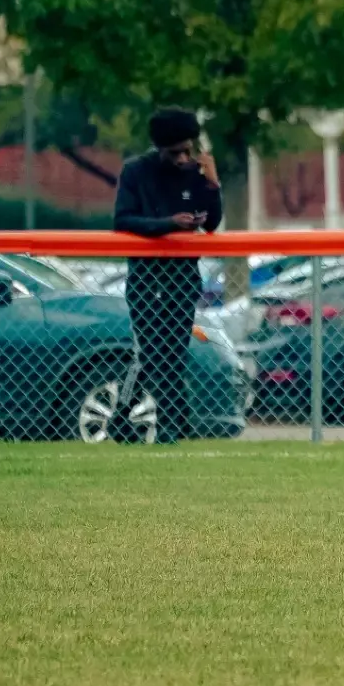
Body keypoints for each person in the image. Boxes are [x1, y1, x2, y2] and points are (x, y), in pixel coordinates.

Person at [112, 108, 222, 444]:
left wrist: (212, 183)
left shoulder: (193, 173)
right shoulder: (135, 172)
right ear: (159, 148)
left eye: (188, 150)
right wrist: (169, 224)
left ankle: (147, 421)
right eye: (176, 153)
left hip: (182, 275)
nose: (183, 158)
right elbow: (123, 220)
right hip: (146, 276)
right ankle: (173, 424)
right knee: (151, 351)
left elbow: (212, 222)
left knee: (173, 351)